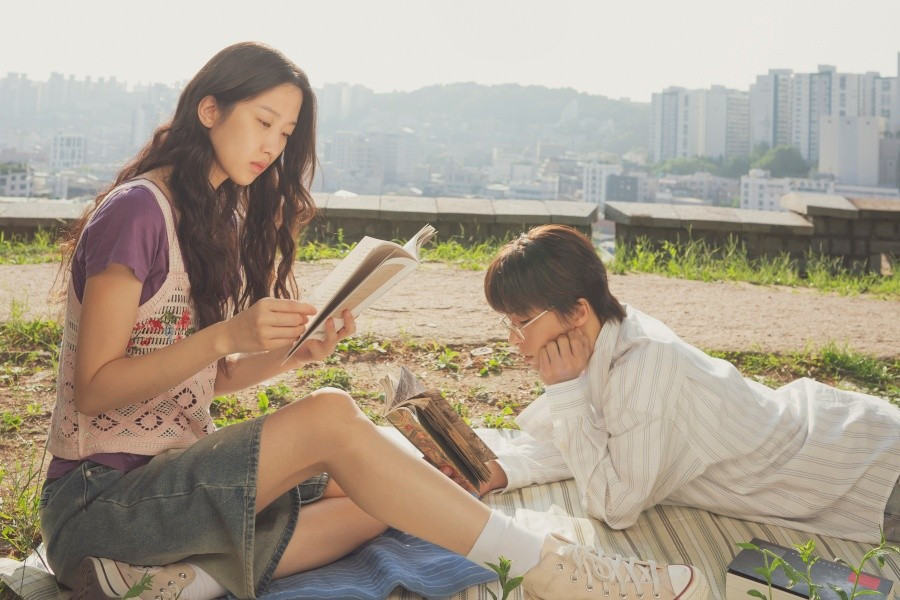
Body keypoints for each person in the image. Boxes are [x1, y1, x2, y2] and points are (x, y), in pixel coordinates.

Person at [39, 43, 709, 600]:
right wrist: (227, 335)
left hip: (170, 483)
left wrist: (291, 355)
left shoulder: (213, 219)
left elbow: (198, 383)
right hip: (101, 504)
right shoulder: (137, 212)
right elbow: (96, 388)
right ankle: (552, 569)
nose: (272, 145)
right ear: (208, 110)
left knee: (385, 487)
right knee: (332, 417)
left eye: (285, 133)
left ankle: (185, 581)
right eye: (263, 121)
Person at [459, 224, 900, 545]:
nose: (513, 340)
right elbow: (593, 441)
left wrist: (562, 390)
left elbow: (614, 506)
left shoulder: (643, 370)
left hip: (864, 476)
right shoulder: (606, 340)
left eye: (522, 321)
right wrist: (503, 470)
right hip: (839, 440)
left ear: (577, 311)